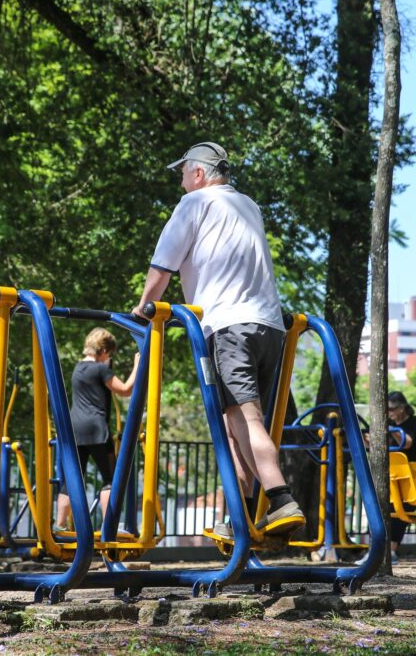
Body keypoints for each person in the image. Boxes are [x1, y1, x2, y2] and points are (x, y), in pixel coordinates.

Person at [131, 141, 304, 539]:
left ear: (198, 174)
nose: (180, 180)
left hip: (229, 325)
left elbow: (161, 268)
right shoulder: (248, 205)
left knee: (246, 418)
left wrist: (143, 309)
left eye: (182, 173)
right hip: (270, 326)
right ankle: (239, 518)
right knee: (232, 423)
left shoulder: (193, 204)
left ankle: (280, 498)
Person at [55, 328, 140, 531]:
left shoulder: (78, 369)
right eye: (109, 354)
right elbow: (125, 390)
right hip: (96, 428)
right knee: (110, 478)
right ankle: (109, 525)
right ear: (103, 350)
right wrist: (138, 365)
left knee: (73, 477)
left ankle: (59, 524)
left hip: (74, 429)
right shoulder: (101, 370)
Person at [387, 390, 416, 563]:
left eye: (392, 409)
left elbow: (407, 442)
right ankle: (386, 549)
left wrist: (391, 430)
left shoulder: (414, 422)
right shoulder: (389, 423)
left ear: (402, 408)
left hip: (412, 473)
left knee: (402, 511)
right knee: (388, 510)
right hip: (394, 474)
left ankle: (392, 550)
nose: (390, 413)